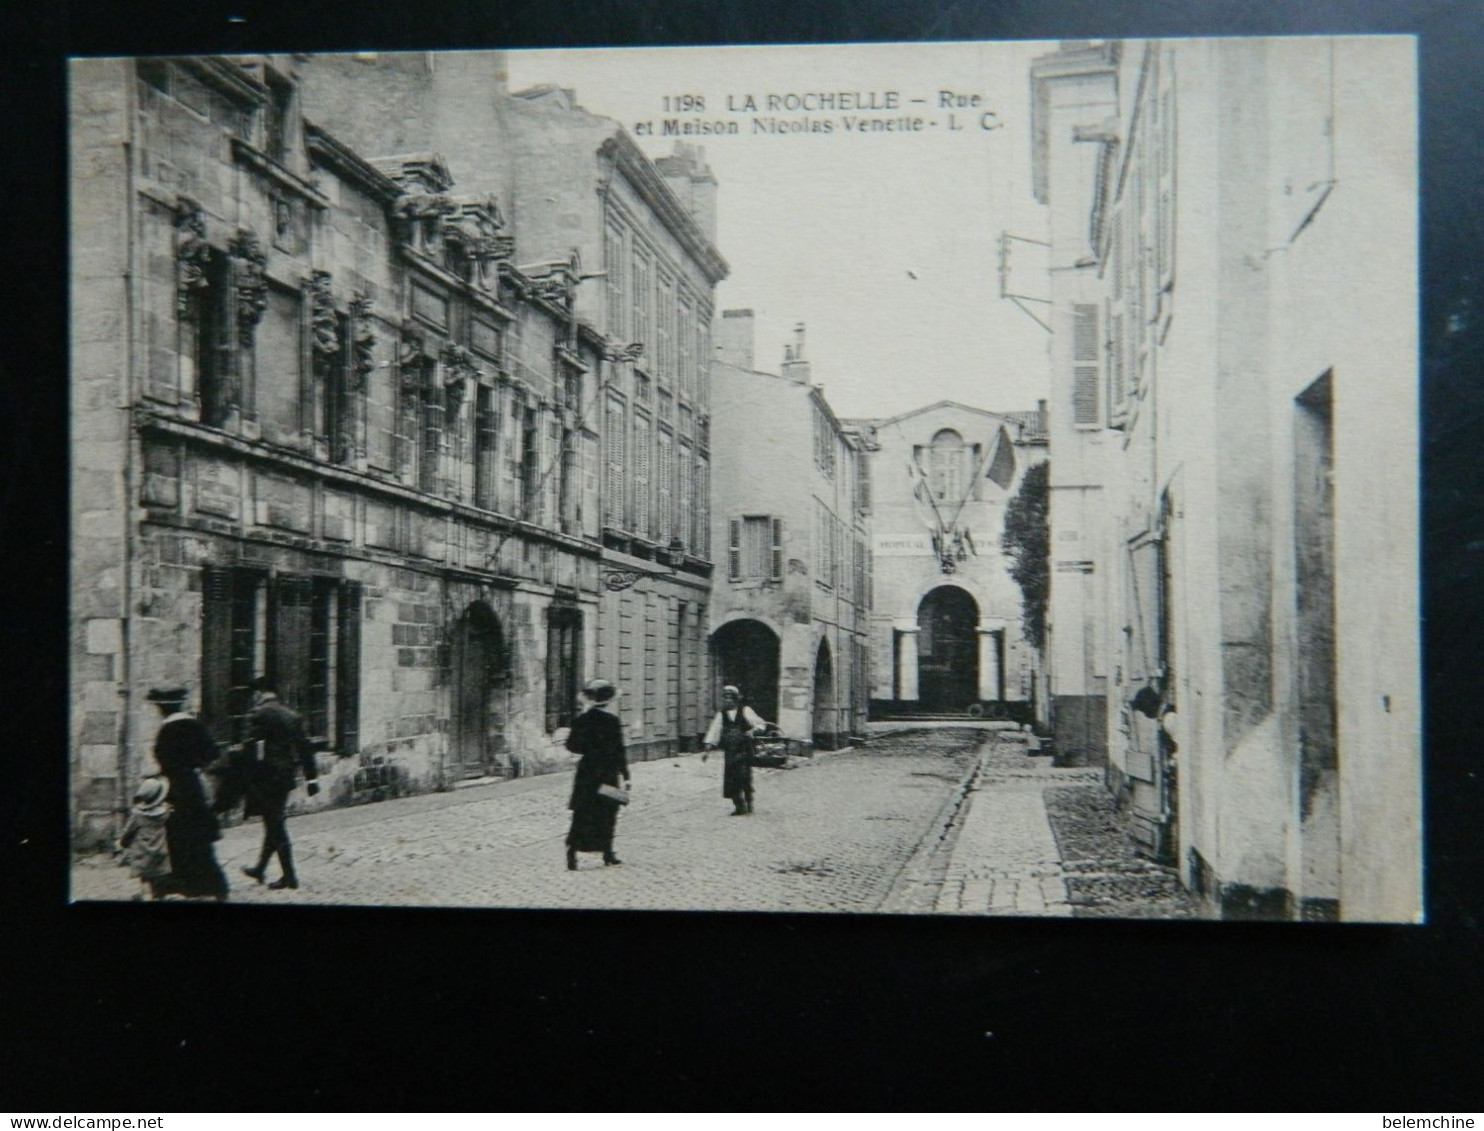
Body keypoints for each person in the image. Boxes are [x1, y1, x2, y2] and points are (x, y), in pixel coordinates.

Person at [145, 687, 229, 901]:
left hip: (173, 789)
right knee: (199, 839)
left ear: (163, 709)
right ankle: (215, 886)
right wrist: (196, 766)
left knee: (175, 838)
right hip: (193, 787)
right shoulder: (195, 725)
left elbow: (164, 759)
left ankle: (175, 885)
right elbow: (212, 752)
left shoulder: (167, 731)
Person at [239, 676, 321, 890]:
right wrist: (312, 778)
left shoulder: (258, 714)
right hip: (285, 778)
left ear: (259, 694)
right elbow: (305, 748)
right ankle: (260, 868)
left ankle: (290, 877)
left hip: (266, 777)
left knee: (275, 825)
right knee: (273, 821)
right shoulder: (292, 716)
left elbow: (249, 747)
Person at [564, 678, 630, 870]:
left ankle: (572, 852)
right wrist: (626, 774)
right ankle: (607, 852)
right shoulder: (612, 721)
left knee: (582, 812)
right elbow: (619, 750)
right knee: (608, 812)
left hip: (587, 772)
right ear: (608, 700)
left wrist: (587, 749)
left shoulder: (581, 721)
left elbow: (571, 746)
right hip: (607, 771)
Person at [702, 685, 773, 816]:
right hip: (730, 750)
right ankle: (738, 805)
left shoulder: (745, 710)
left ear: (736, 699)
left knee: (743, 775)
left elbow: (760, 724)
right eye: (725, 698)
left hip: (744, 748)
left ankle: (748, 800)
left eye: (730, 698)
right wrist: (708, 748)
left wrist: (753, 731)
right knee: (730, 777)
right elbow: (714, 731)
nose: (728, 701)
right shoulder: (721, 714)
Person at [118, 774, 171, 901]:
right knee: (158, 877)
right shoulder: (165, 813)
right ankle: (159, 897)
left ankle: (147, 897)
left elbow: (128, 831)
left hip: (142, 853)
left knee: (145, 878)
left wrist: (123, 842)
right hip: (160, 851)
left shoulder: (137, 815)